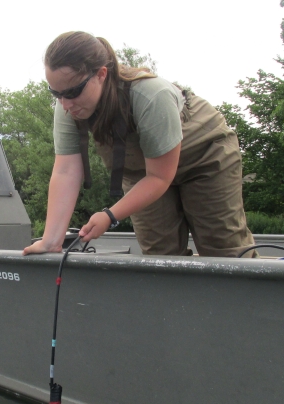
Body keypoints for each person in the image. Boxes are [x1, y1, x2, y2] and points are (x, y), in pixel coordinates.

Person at [22, 31, 256, 258]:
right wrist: (51, 240)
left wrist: (110, 215)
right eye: (56, 93)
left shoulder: (151, 95)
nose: (65, 104)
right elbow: (66, 170)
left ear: (101, 74)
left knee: (224, 252)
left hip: (203, 156)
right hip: (143, 171)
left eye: (72, 92)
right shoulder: (69, 107)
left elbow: (160, 177)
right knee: (160, 257)